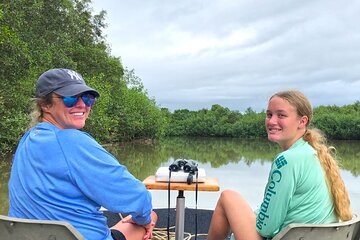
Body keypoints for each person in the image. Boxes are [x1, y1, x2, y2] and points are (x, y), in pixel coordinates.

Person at [8, 68, 157, 240]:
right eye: (70, 98)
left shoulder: (28, 139)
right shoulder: (71, 140)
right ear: (45, 104)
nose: (82, 105)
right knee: (149, 216)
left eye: (88, 98)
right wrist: (144, 219)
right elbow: (137, 197)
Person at [207, 90, 352, 240]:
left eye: (281, 115)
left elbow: (267, 229)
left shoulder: (287, 160)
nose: (271, 121)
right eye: (269, 114)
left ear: (302, 121)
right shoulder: (314, 153)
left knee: (228, 197)